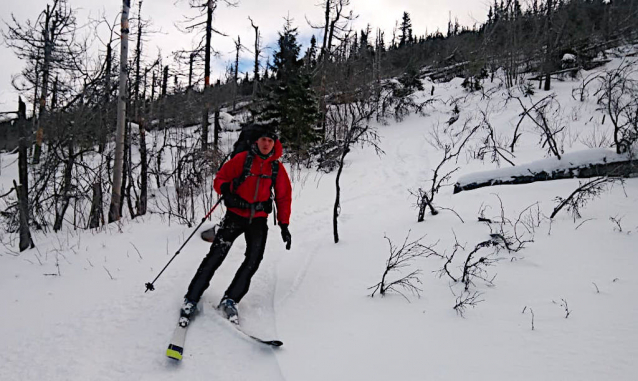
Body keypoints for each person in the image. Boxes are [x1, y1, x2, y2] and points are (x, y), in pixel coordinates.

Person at [180, 126, 292, 325]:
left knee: (253, 259)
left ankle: (231, 299)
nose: (266, 144)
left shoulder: (276, 167)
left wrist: (284, 224)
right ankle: (192, 297)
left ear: (275, 144)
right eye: (263, 139)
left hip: (258, 220)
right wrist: (229, 187)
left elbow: (284, 196)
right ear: (256, 142)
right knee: (216, 255)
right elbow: (219, 180)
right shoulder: (242, 160)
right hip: (235, 216)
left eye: (270, 140)